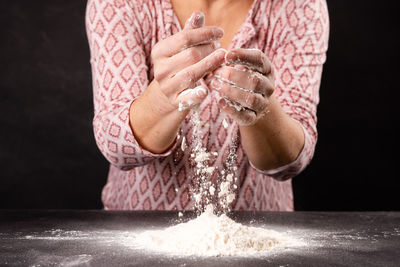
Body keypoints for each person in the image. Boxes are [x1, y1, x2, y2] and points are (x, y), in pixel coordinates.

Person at [85, 0, 329, 211]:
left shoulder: (298, 6)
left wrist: (259, 109)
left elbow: (292, 160)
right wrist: (163, 97)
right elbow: (115, 146)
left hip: (258, 238)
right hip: (138, 238)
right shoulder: (122, 4)